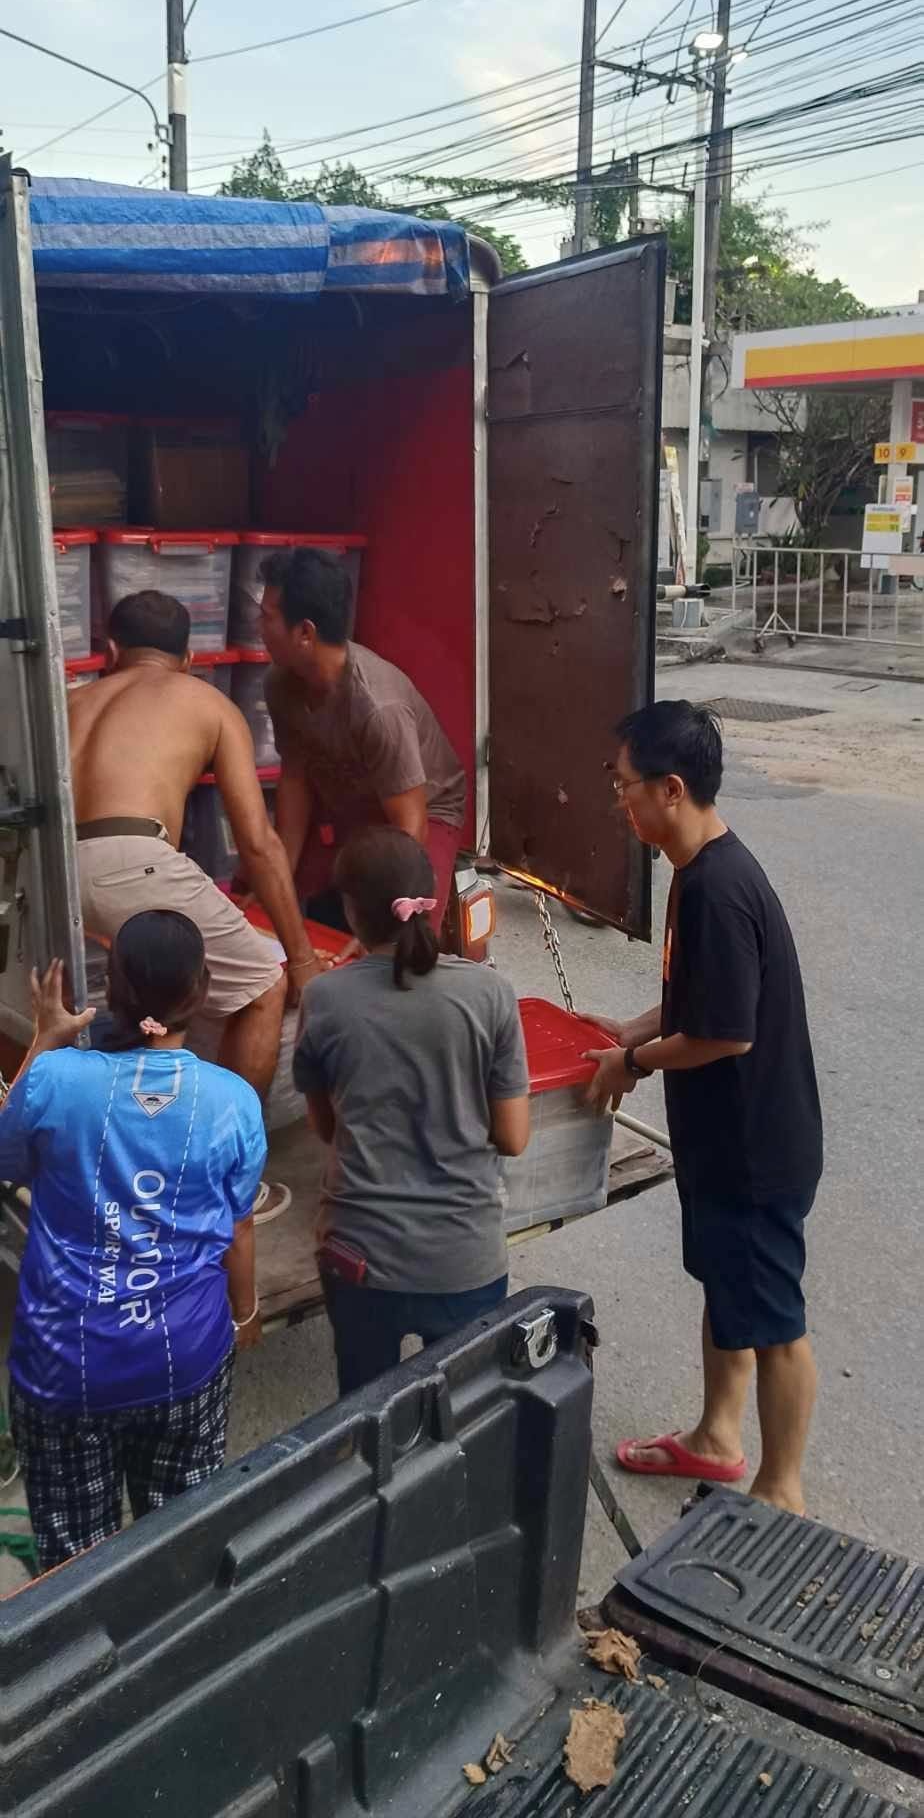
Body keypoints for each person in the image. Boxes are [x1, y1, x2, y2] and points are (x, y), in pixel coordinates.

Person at [585, 700, 823, 1515]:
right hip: (724, 1143)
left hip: (756, 1151)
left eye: (624, 785)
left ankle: (781, 1494)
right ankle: (719, 1438)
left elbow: (725, 1033)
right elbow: (704, 997)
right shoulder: (696, 868)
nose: (619, 799)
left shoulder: (718, 889)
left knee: (775, 1321)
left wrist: (630, 1062)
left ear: (672, 789)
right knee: (729, 1291)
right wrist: (633, 1028)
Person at [0, 912, 266, 1573]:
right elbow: (238, 1228)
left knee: (74, 1571)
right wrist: (246, 1315)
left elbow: (4, 1159)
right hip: (188, 1360)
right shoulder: (233, 1101)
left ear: (111, 991)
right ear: (201, 992)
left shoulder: (57, 1081)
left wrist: (45, 1039)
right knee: (182, 1551)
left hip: (63, 1371)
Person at [69, 589, 324, 1220]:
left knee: (114, 995)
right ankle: (226, 1178)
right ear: (188, 659)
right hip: (134, 856)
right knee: (262, 983)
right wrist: (301, 959)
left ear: (110, 651)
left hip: (52, 866)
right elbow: (258, 843)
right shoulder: (206, 701)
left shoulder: (69, 703)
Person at [292, 826, 530, 1395]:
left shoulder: (324, 998)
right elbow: (513, 1137)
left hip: (359, 1258)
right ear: (432, 897)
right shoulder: (490, 994)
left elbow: (326, 1128)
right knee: (465, 1414)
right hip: (465, 1259)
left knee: (364, 1413)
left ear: (351, 911)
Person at [259, 548, 467, 936]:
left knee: (404, 932)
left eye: (266, 617)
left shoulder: (378, 708)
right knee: (266, 891)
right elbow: (295, 779)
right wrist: (279, 878)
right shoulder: (280, 683)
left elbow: (409, 828)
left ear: (305, 633)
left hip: (425, 810)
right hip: (351, 803)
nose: (258, 627)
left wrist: (384, 930)